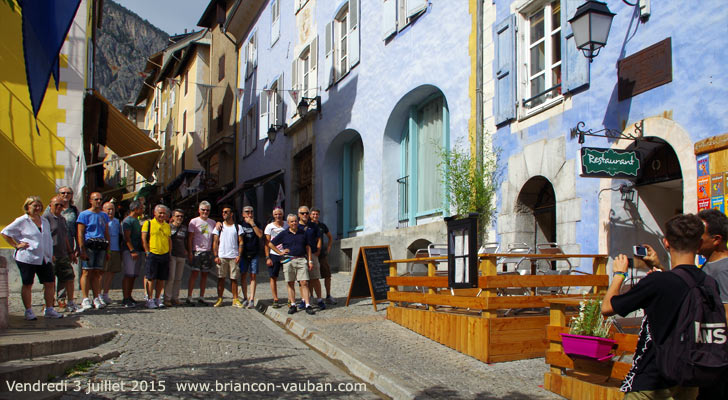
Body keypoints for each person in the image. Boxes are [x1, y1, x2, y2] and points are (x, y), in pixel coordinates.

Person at [601, 214, 705, 399]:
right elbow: (679, 287)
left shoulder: (658, 282)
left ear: (666, 243)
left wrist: (619, 274)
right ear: (699, 245)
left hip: (653, 379)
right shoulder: (707, 281)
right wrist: (659, 266)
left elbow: (607, 308)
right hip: (689, 376)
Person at [2, 196, 63, 319]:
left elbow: (47, 239)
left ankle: (49, 309)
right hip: (28, 257)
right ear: (27, 207)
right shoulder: (22, 220)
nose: (37, 208)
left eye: (39, 205)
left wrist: (50, 254)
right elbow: (5, 232)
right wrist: (16, 245)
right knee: (28, 284)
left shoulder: (44, 221)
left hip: (44, 257)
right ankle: (28, 310)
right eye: (34, 206)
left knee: (50, 283)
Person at [268, 213, 315, 315]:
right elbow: (271, 243)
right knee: (290, 283)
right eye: (292, 221)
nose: (294, 223)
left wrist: (310, 260)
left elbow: (308, 247)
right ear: (288, 223)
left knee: (304, 282)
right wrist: (280, 252)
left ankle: (307, 304)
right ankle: (293, 304)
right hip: (288, 261)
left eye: (295, 221)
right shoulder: (284, 233)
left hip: (302, 259)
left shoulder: (303, 233)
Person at [76, 192, 110, 312]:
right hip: (89, 244)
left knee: (97, 272)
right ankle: (85, 298)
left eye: (100, 199)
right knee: (86, 272)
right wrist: (82, 248)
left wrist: (107, 248)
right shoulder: (84, 215)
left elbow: (106, 231)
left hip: (101, 245)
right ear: (90, 200)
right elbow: (80, 232)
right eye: (96, 199)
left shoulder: (104, 215)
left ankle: (96, 297)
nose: (98, 201)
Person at [43, 196, 78, 312]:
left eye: (61, 205)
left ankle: (64, 300)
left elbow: (65, 237)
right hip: (50, 254)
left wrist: (70, 251)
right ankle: (49, 302)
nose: (59, 207)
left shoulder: (62, 219)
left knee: (67, 277)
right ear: (50, 206)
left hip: (63, 253)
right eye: (56, 204)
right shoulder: (45, 219)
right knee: (49, 280)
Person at [212, 205, 243, 307]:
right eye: (223, 212)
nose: (224, 214)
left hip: (234, 256)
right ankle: (219, 298)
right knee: (221, 278)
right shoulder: (219, 227)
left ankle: (235, 299)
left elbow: (241, 242)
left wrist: (239, 255)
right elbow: (215, 242)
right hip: (222, 256)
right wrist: (216, 255)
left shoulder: (238, 227)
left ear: (231, 214)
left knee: (234, 278)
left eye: (226, 212)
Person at [141, 204, 171, 309]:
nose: (162, 215)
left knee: (161, 278)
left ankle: (158, 298)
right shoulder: (148, 223)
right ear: (155, 213)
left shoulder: (167, 226)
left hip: (164, 254)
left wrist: (169, 253)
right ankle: (149, 299)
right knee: (150, 278)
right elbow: (144, 238)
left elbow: (168, 239)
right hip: (153, 253)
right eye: (160, 213)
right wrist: (147, 251)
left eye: (164, 213)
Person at [187, 201, 215, 306]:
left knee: (205, 275)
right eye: (203, 209)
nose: (205, 212)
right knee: (194, 274)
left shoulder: (212, 222)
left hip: (207, 252)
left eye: (207, 210)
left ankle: (201, 296)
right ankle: (189, 296)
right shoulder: (194, 222)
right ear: (199, 210)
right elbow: (190, 238)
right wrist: (190, 252)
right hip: (197, 251)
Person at [54, 186, 79, 307]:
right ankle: (48, 300)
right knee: (51, 275)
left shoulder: (73, 210)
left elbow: (77, 229)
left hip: (68, 245)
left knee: (65, 274)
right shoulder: (52, 209)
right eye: (63, 193)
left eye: (68, 193)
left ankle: (61, 298)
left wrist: (77, 247)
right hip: (54, 247)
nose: (65, 195)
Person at [697, 209, 728, 303]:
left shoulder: (724, 270)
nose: (693, 239)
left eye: (698, 236)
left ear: (716, 239)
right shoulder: (709, 264)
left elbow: (726, 313)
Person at [298, 206, 325, 310]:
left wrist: (318, 249)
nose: (305, 215)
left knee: (315, 278)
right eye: (302, 213)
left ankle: (319, 299)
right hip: (300, 255)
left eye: (306, 213)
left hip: (313, 254)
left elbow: (319, 238)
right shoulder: (296, 225)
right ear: (299, 214)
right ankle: (304, 300)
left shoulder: (313, 225)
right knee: (302, 280)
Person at [121, 200, 145, 307]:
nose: (142, 210)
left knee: (134, 275)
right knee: (128, 274)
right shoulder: (128, 221)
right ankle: (125, 297)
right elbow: (127, 237)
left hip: (138, 250)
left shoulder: (136, 220)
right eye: (141, 208)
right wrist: (132, 250)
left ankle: (129, 295)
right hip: (130, 251)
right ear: (135, 209)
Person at [239, 206, 263, 309]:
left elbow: (260, 235)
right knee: (243, 275)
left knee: (253, 276)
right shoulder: (240, 224)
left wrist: (252, 224)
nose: (249, 214)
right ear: (243, 214)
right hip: (243, 254)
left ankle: (252, 299)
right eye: (247, 212)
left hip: (254, 253)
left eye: (251, 212)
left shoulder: (257, 223)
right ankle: (245, 297)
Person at [310, 208, 335, 304]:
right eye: (313, 214)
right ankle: (311, 296)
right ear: (310, 215)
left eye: (317, 214)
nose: (315, 216)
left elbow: (330, 237)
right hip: (311, 253)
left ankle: (328, 295)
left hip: (322, 254)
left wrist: (328, 247)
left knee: (327, 275)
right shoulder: (308, 225)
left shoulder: (322, 226)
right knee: (312, 277)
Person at [164, 209, 188, 307]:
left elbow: (186, 240)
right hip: (172, 255)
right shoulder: (168, 227)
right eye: (177, 216)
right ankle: (167, 298)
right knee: (171, 277)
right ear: (173, 217)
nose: (180, 218)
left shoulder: (184, 228)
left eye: (181, 216)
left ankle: (175, 297)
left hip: (181, 255)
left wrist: (187, 251)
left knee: (178, 278)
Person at [101, 202, 122, 305]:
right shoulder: (101, 221)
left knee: (111, 272)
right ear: (103, 210)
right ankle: (98, 294)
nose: (110, 211)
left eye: (112, 209)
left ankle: (105, 293)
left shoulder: (117, 222)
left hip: (115, 249)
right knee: (102, 272)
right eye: (108, 209)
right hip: (104, 249)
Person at [264, 207, 285, 308]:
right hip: (274, 254)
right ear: (273, 215)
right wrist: (267, 257)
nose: (278, 216)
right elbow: (267, 243)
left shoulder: (286, 224)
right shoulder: (269, 226)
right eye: (276, 214)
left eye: (280, 214)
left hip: (286, 254)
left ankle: (291, 299)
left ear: (283, 215)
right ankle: (275, 299)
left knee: (290, 277)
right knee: (273, 277)